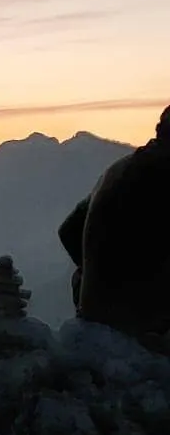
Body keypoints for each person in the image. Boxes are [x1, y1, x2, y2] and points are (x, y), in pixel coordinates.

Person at [63, 105, 170, 336]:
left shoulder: (118, 169)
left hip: (93, 316)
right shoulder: (162, 176)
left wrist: (96, 281)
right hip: (140, 326)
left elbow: (68, 231)